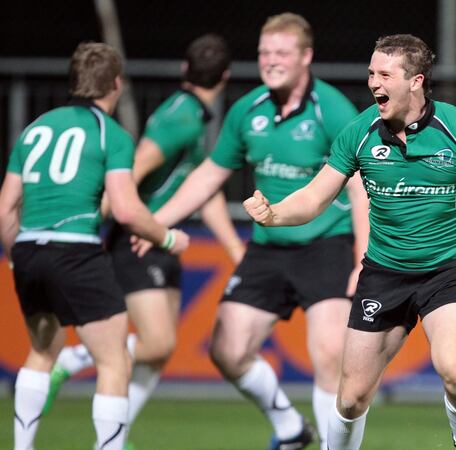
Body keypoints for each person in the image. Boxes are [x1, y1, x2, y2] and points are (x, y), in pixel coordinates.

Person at [242, 33, 456, 450]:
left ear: (416, 81)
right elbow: (316, 197)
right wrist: (276, 213)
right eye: (371, 72)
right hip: (384, 274)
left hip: (447, 272)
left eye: (384, 74)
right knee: (351, 398)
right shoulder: (360, 131)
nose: (374, 83)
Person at [146, 13, 368, 450]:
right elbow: (209, 175)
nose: (270, 61)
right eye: (265, 52)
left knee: (328, 353)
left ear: (306, 57)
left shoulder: (334, 109)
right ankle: (289, 426)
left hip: (328, 243)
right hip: (268, 247)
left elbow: (360, 190)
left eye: (282, 52)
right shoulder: (248, 110)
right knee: (226, 350)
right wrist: (158, 221)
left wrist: (363, 259)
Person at [43, 34, 243, 442]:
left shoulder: (195, 117)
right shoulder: (182, 116)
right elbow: (132, 169)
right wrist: (99, 223)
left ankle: (116, 435)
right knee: (155, 342)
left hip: (161, 236)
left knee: (161, 349)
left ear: (185, 69)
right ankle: (74, 357)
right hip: (140, 238)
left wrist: (235, 247)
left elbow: (205, 191)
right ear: (225, 77)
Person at [0, 42, 189, 450]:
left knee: (42, 349)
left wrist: (17, 256)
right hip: (77, 252)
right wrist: (168, 237)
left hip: (29, 250)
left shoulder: (36, 128)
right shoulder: (112, 134)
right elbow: (125, 209)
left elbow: (5, 207)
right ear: (116, 85)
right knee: (113, 359)